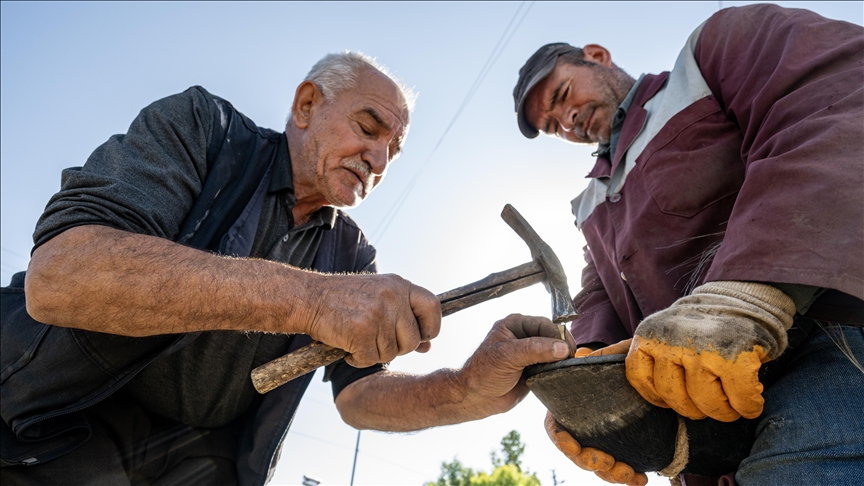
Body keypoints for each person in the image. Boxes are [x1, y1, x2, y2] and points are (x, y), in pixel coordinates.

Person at [0, 52, 576, 485]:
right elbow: (61, 276)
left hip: (190, 461)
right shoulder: (205, 131)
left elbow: (358, 396)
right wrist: (312, 301)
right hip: (47, 420)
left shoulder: (352, 257)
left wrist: (466, 387)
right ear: (305, 106)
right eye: (368, 129)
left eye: (392, 151)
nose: (377, 159)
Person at [512, 4, 863, 486]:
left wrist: (749, 293)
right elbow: (598, 293)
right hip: (700, 416)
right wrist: (589, 380)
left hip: (823, 343)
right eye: (555, 126)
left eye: (562, 95)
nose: (568, 120)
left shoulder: (709, 56)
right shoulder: (588, 203)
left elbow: (833, 101)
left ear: (596, 55)